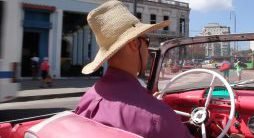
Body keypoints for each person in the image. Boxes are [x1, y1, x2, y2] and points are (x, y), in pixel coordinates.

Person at [75, 1, 191, 138]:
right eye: (146, 41)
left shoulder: (87, 100)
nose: (148, 50)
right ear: (134, 44)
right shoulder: (159, 117)